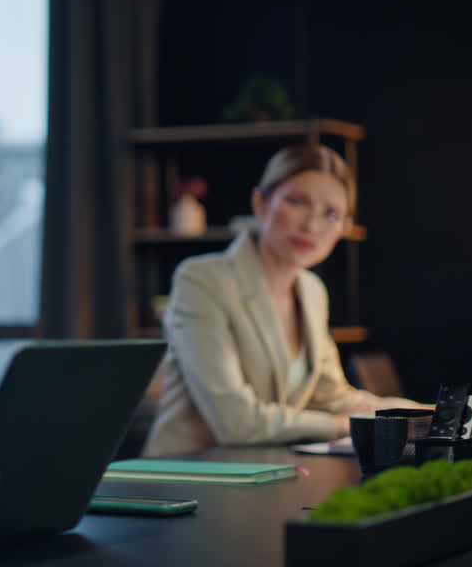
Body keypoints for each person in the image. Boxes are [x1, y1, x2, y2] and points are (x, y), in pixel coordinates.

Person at [143, 144, 419, 456]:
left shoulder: (312, 290)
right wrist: (343, 425)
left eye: (330, 214)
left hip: (268, 469)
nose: (312, 226)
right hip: (189, 477)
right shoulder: (202, 280)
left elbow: (332, 397)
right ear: (260, 203)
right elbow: (237, 422)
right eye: (297, 202)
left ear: (344, 227)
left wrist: (421, 415)